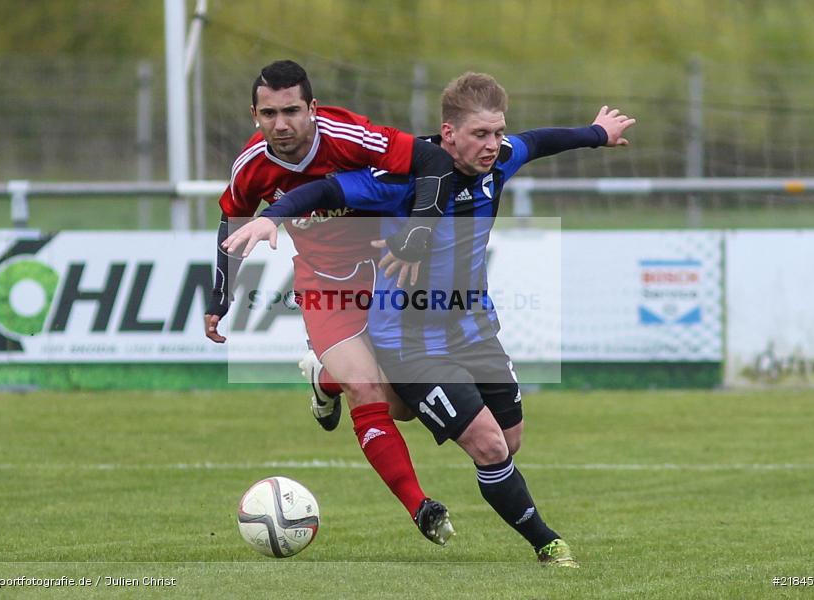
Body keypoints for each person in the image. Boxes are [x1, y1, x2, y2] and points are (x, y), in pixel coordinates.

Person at [232, 72, 636, 566]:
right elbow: (326, 191)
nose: (493, 145)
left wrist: (597, 133)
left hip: (474, 328)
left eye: (497, 132)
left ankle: (327, 377)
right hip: (410, 340)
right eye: (480, 134)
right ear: (448, 133)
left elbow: (539, 141)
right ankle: (548, 544)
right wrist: (271, 216)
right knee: (488, 446)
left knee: (508, 441)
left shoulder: (499, 160)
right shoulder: (402, 178)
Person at [207, 60, 454, 545]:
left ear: (313, 109)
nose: (281, 124)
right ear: (254, 115)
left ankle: (323, 377)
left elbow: (431, 162)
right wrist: (220, 295)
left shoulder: (352, 136)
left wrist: (419, 232)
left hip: (388, 273)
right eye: (269, 114)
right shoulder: (252, 165)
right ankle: (420, 507)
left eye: (291, 111)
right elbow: (231, 222)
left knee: (402, 406)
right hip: (325, 285)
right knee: (364, 388)